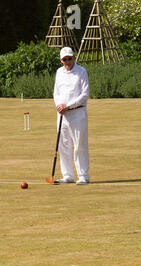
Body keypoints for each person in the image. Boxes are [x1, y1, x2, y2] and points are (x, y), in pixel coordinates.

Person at [53, 47, 90, 185]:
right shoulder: (59, 72)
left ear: (74, 57)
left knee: (80, 144)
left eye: (70, 58)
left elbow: (85, 94)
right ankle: (67, 175)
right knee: (64, 145)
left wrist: (69, 105)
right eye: (65, 59)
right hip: (62, 114)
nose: (67, 61)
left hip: (78, 112)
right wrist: (59, 105)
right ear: (61, 60)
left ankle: (83, 176)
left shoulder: (81, 71)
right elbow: (56, 93)